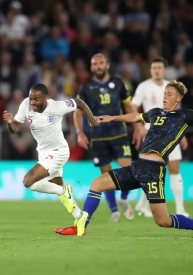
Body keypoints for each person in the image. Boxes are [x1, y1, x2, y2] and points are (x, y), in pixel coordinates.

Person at [73, 80, 193, 236]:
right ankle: (81, 227)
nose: (164, 96)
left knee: (162, 220)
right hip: (138, 166)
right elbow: (135, 117)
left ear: (177, 99)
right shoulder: (155, 113)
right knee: (97, 183)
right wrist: (113, 118)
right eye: (164, 93)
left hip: (153, 172)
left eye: (169, 94)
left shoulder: (185, 116)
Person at [55, 53, 143, 236]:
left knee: (126, 170)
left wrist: (138, 126)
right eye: (95, 64)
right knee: (106, 175)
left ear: (107, 65)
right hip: (98, 138)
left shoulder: (119, 84)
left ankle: (124, 199)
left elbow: (128, 107)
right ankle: (114, 211)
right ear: (92, 67)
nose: (98, 66)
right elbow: (77, 112)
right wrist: (80, 132)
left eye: (101, 63)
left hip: (119, 133)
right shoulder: (86, 87)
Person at [3, 83, 99, 220]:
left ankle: (64, 190)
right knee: (55, 185)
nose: (33, 102)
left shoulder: (56, 107)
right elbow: (15, 129)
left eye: (36, 99)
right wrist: (10, 122)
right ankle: (80, 217)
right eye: (31, 98)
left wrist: (92, 121)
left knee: (28, 181)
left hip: (59, 151)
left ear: (46, 98)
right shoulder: (26, 104)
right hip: (43, 153)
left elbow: (78, 102)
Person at [132, 57, 189, 217]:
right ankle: (142, 204)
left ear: (165, 70)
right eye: (153, 68)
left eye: (159, 68)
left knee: (175, 169)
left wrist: (182, 134)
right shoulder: (144, 87)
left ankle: (180, 209)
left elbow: (179, 113)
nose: (156, 70)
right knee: (150, 170)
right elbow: (133, 107)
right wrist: (138, 127)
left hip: (171, 132)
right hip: (152, 134)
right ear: (150, 70)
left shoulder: (171, 87)